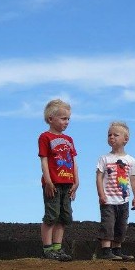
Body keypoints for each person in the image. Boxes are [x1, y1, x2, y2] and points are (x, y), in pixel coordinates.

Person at [38, 99, 79, 261]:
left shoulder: (69, 140)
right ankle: (47, 249)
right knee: (51, 215)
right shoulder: (45, 137)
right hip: (53, 183)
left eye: (68, 118)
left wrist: (76, 181)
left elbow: (74, 161)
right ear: (51, 119)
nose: (66, 122)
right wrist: (48, 180)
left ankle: (58, 247)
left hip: (68, 183)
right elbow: (44, 159)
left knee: (64, 216)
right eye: (63, 118)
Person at [96, 122, 135, 260]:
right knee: (108, 224)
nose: (112, 137)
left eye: (116, 135)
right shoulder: (104, 158)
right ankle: (106, 251)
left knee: (121, 225)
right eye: (109, 135)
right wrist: (101, 194)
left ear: (125, 139)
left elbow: (133, 180)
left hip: (123, 200)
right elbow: (99, 177)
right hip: (108, 199)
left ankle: (117, 249)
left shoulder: (130, 160)